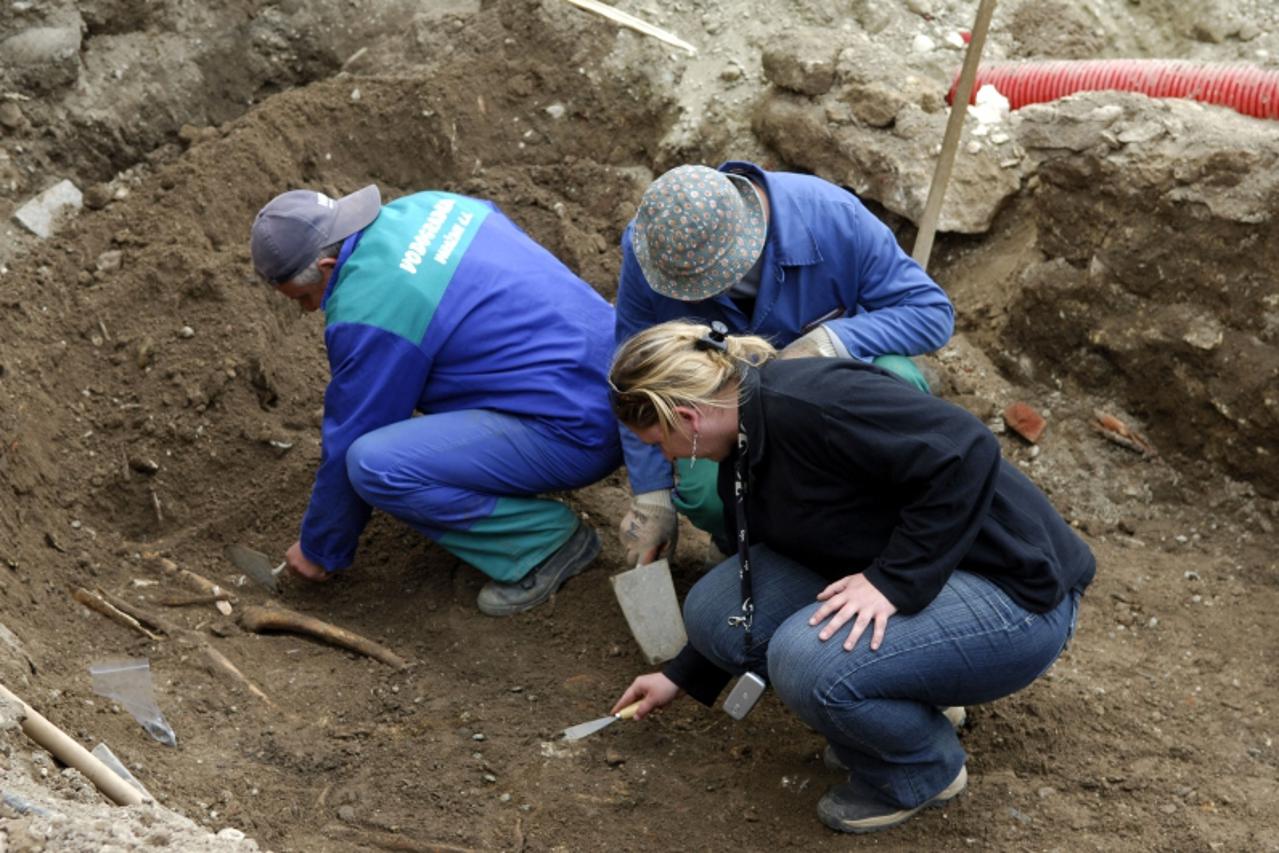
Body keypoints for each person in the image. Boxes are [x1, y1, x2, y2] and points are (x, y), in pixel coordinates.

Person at [606, 320, 1094, 834]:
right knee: (712, 613)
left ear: (686, 417)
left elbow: (966, 448)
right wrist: (683, 673)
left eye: (658, 441)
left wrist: (892, 582)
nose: (664, 457)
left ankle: (920, 769)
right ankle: (908, 700)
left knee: (806, 661)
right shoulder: (744, 438)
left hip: (1015, 591)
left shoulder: (815, 404)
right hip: (929, 566)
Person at [249, 184, 621, 615]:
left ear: (328, 266)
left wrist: (320, 548)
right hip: (628, 378)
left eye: (304, 299)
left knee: (374, 465)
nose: (308, 312)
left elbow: (352, 434)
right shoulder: (431, 206)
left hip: (581, 431)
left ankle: (543, 544)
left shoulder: (371, 307)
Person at [613, 161, 955, 567]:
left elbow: (930, 312)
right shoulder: (651, 249)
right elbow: (636, 377)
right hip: (725, 401)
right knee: (707, 496)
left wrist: (829, 342)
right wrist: (652, 496)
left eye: (706, 283)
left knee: (899, 386)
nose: (699, 296)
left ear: (748, 237)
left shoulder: (832, 218)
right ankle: (742, 540)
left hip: (837, 382)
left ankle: (889, 535)